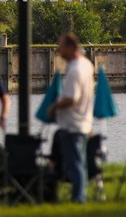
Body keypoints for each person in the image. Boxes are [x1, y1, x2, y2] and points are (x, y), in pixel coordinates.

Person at [48, 33, 94, 203]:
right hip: (84, 123)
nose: (58, 50)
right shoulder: (86, 65)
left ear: (70, 47)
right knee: (79, 164)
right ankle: (80, 197)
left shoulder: (75, 70)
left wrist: (54, 106)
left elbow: (71, 98)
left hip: (73, 125)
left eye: (61, 46)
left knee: (74, 166)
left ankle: (78, 200)